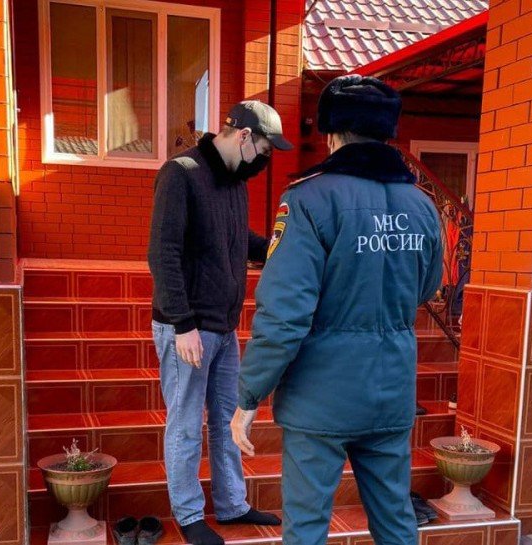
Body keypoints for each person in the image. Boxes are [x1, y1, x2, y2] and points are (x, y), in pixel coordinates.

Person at [230, 75, 443, 545]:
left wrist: (249, 395)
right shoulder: (422, 205)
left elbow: (285, 314)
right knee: (396, 520)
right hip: (391, 388)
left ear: (331, 134)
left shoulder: (309, 198)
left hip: (320, 396)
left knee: (307, 528)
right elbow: (427, 286)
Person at [148, 101, 292, 545]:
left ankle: (232, 505)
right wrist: (182, 324)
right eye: (264, 150)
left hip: (224, 328)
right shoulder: (181, 173)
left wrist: (280, 249)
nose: (264, 161)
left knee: (228, 420)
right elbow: (163, 253)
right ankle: (190, 514)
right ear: (245, 136)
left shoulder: (233, 183)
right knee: (186, 424)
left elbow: (237, 239)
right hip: (188, 328)